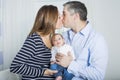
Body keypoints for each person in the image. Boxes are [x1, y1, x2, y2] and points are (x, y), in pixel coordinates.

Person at [56, 1, 108, 80]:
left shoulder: (97, 39)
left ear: (75, 16)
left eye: (64, 14)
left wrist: (70, 64)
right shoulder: (62, 36)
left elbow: (98, 75)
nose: (61, 17)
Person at [10, 5, 63, 80]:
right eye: (59, 17)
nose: (62, 19)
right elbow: (15, 66)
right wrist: (43, 72)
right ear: (50, 19)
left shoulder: (53, 39)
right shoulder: (34, 40)